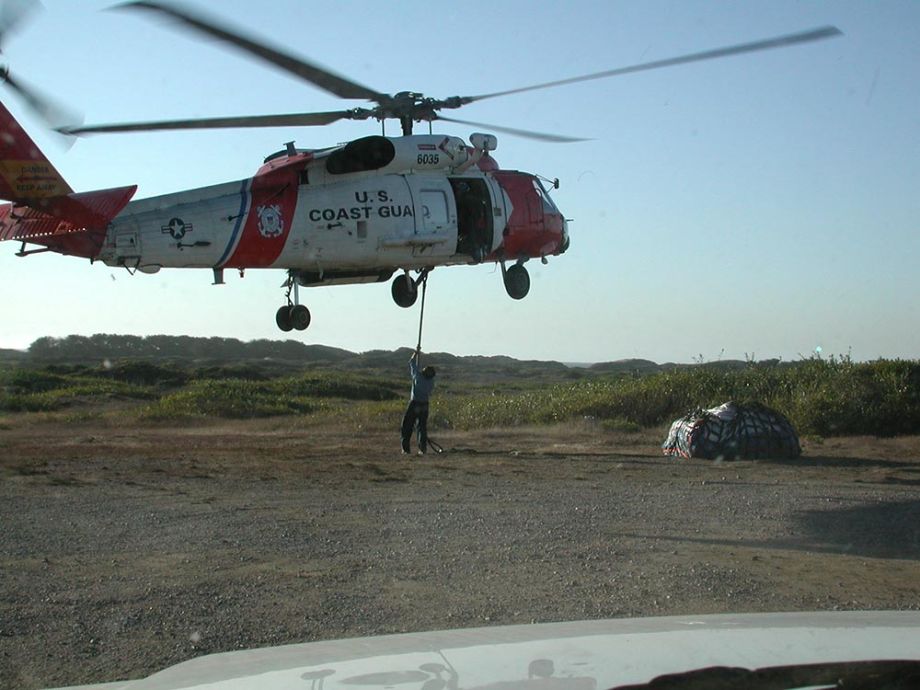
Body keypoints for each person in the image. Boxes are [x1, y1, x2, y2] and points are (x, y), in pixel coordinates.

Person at [401, 347, 436, 454]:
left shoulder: (417, 376)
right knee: (422, 427)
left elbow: (411, 362)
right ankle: (422, 448)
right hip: (425, 405)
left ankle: (406, 449)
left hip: (415, 403)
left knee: (407, 425)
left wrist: (415, 353)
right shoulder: (431, 382)